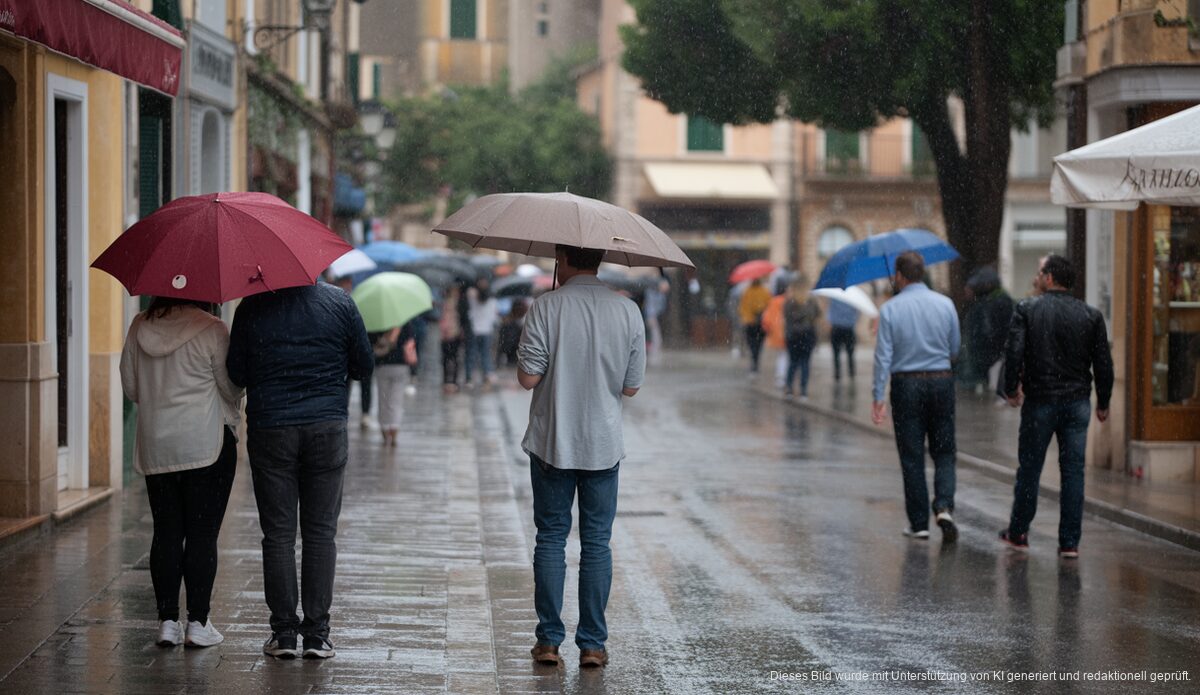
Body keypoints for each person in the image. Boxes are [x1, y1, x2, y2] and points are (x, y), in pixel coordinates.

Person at [227, 281, 373, 660]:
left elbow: (236, 373)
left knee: (277, 535)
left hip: (271, 428)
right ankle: (317, 635)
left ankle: (285, 634)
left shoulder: (252, 307)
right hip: (326, 427)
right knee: (321, 533)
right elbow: (363, 365)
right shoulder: (339, 302)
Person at [516, 244, 646, 670]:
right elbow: (631, 386)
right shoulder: (627, 312)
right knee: (596, 544)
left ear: (563, 259)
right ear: (600, 259)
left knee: (551, 538)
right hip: (603, 445)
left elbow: (527, 377)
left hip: (553, 440)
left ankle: (549, 641)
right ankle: (592, 644)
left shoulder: (545, 306)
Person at [120, 297, 243, 649]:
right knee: (202, 534)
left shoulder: (140, 326)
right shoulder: (213, 329)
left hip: (157, 447)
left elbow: (131, 388)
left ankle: (167, 622)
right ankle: (198, 623)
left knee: (167, 531)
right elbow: (231, 387)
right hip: (206, 447)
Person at [999, 254, 1113, 558]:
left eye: (1040, 274)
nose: (1037, 279)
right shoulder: (1091, 316)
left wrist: (1010, 389)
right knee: (1073, 471)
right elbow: (1103, 362)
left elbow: (1014, 352)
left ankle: (1019, 531)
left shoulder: (1027, 310)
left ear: (1050, 278)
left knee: (1030, 468)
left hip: (1040, 401)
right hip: (1077, 403)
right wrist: (1103, 400)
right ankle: (1069, 542)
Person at [872, 251, 961, 542]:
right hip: (941, 381)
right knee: (944, 450)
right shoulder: (945, 304)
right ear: (921, 273)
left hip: (906, 384)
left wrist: (878, 396)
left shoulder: (890, 309)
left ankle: (919, 523)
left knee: (912, 456)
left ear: (899, 275)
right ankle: (944, 505)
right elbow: (954, 349)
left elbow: (883, 356)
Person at [962, 267, 1014, 396]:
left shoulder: (990, 303)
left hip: (989, 353)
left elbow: (988, 329)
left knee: (989, 385)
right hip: (993, 352)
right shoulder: (999, 300)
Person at [371, 322, 418, 446]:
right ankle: (394, 430)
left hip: (383, 365)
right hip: (401, 366)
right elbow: (411, 344)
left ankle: (385, 431)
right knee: (396, 401)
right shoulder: (406, 323)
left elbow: (373, 344)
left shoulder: (379, 323)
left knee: (383, 400)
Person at [782, 280, 821, 399]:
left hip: (793, 336)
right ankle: (803, 391)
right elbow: (817, 316)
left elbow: (786, 318)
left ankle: (789, 388)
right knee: (805, 363)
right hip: (807, 336)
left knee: (793, 363)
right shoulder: (810, 302)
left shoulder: (789, 303)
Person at [465, 277, 499, 388]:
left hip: (475, 330)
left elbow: (469, 313)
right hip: (487, 331)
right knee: (485, 355)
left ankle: (469, 378)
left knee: (471, 355)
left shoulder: (472, 297)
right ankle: (486, 376)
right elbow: (494, 318)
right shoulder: (492, 300)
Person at [738, 277, 771, 374]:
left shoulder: (747, 292)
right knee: (758, 344)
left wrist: (746, 317)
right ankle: (755, 361)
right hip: (760, 323)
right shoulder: (765, 291)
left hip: (750, 323)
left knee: (752, 344)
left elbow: (742, 308)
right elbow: (769, 306)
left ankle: (754, 361)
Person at [760, 280, 789, 388]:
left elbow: (766, 318)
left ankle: (780, 377)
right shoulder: (788, 301)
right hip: (788, 332)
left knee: (781, 356)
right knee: (787, 356)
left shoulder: (773, 301)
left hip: (776, 333)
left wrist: (768, 329)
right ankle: (784, 377)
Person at [439, 283, 465, 394]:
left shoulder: (460, 304)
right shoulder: (445, 303)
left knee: (453, 358)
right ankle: (447, 381)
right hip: (446, 334)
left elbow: (462, 319)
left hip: (454, 334)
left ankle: (452, 381)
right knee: (447, 358)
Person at [827, 297, 860, 381]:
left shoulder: (834, 297)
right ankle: (851, 372)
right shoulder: (852, 297)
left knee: (836, 353)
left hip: (836, 327)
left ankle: (837, 373)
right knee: (850, 353)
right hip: (848, 328)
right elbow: (857, 313)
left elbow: (830, 312)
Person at [642, 279, 669, 365]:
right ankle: (653, 356)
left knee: (655, 336)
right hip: (651, 317)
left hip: (653, 316)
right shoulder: (651, 293)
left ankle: (653, 355)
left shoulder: (659, 295)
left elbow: (660, 307)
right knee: (655, 337)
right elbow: (651, 307)